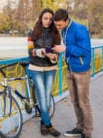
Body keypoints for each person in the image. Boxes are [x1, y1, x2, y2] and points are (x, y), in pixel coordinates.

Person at [53, 8, 93, 138]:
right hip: (70, 69)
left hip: (81, 71)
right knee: (75, 101)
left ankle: (87, 133)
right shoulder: (64, 30)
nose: (58, 27)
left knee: (83, 103)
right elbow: (68, 49)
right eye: (56, 24)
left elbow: (85, 50)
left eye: (59, 24)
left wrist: (66, 48)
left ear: (66, 20)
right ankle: (79, 128)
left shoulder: (79, 29)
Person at [27, 8, 61, 137]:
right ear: (41, 18)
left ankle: (42, 123)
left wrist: (54, 56)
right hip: (36, 68)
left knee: (47, 97)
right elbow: (30, 51)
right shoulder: (32, 32)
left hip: (50, 69)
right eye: (45, 18)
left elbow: (56, 51)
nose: (48, 21)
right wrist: (42, 52)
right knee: (42, 96)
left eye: (50, 19)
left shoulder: (55, 33)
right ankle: (49, 125)